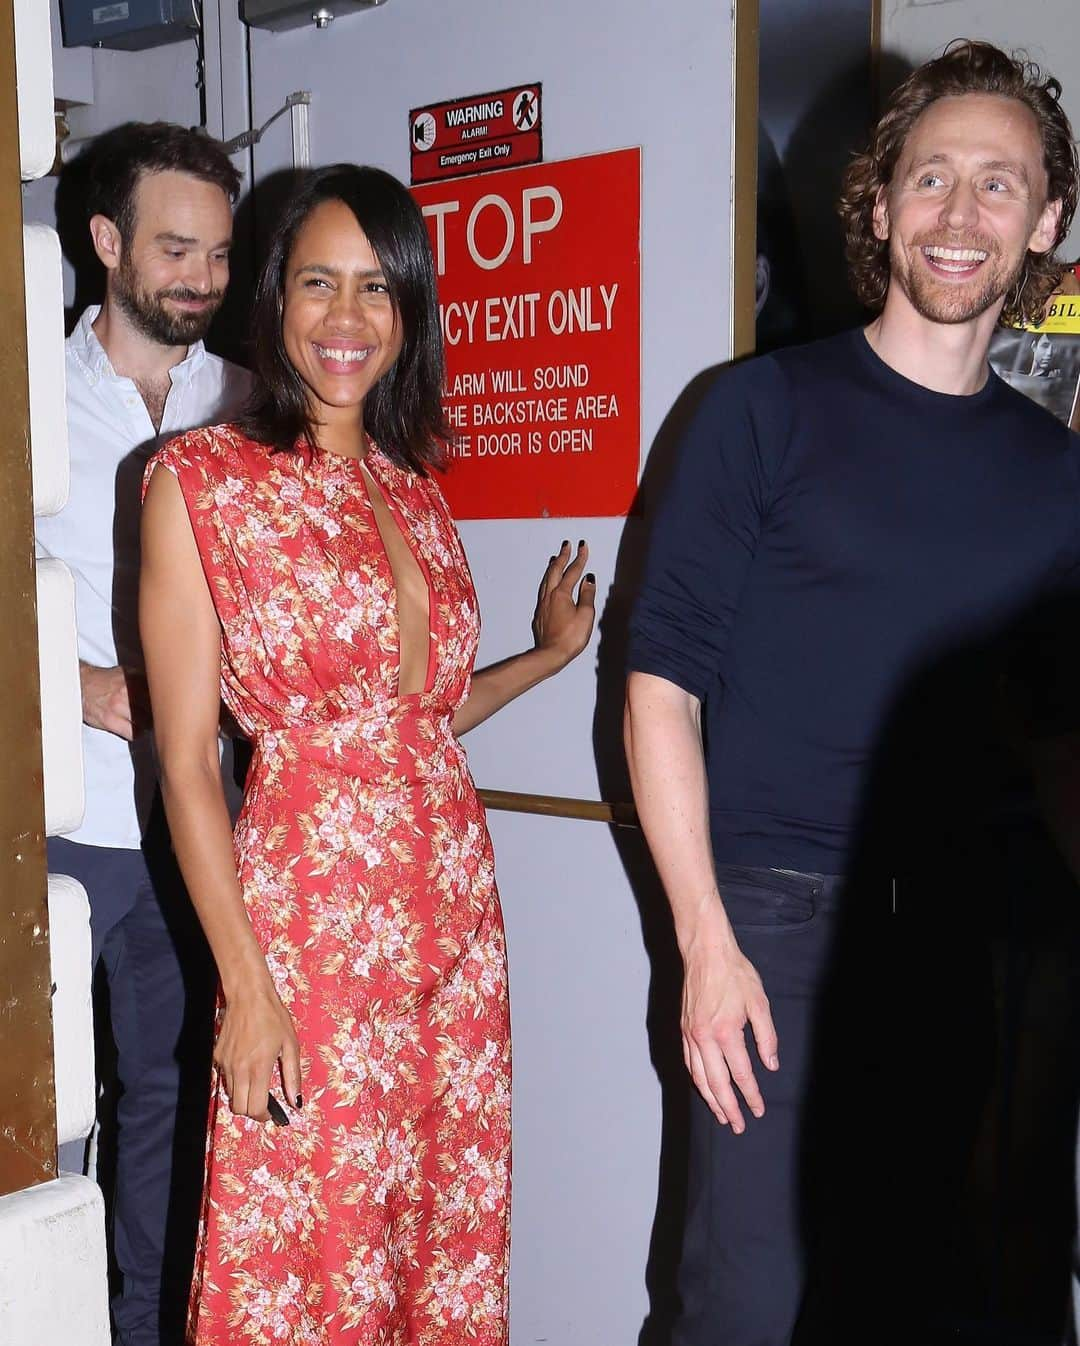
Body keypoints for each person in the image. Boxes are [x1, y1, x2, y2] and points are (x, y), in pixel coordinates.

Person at [625, 41, 1080, 1346]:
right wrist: (707, 944)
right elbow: (661, 686)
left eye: (1001, 184)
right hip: (781, 935)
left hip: (983, 948)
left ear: (1045, 218)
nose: (961, 214)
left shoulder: (1054, 476)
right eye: (931, 178)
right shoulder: (758, 411)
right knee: (751, 1311)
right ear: (880, 204)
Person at [139, 163, 596, 1344]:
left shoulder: (416, 486)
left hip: (448, 926)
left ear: (410, 311)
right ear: (274, 301)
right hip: (312, 930)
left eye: (378, 290)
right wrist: (245, 984)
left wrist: (546, 658)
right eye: (318, 284)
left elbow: (413, 720)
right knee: (314, 1235)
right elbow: (188, 760)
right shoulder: (200, 483)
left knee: (433, 1227)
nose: (348, 319)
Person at [35, 122, 250, 1345]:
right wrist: (94, 688)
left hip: (197, 828)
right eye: (175, 248)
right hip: (64, 826)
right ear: (106, 241)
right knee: (43, 1131)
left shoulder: (246, 401)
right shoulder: (32, 398)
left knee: (175, 1121)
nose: (201, 279)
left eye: (218, 254)